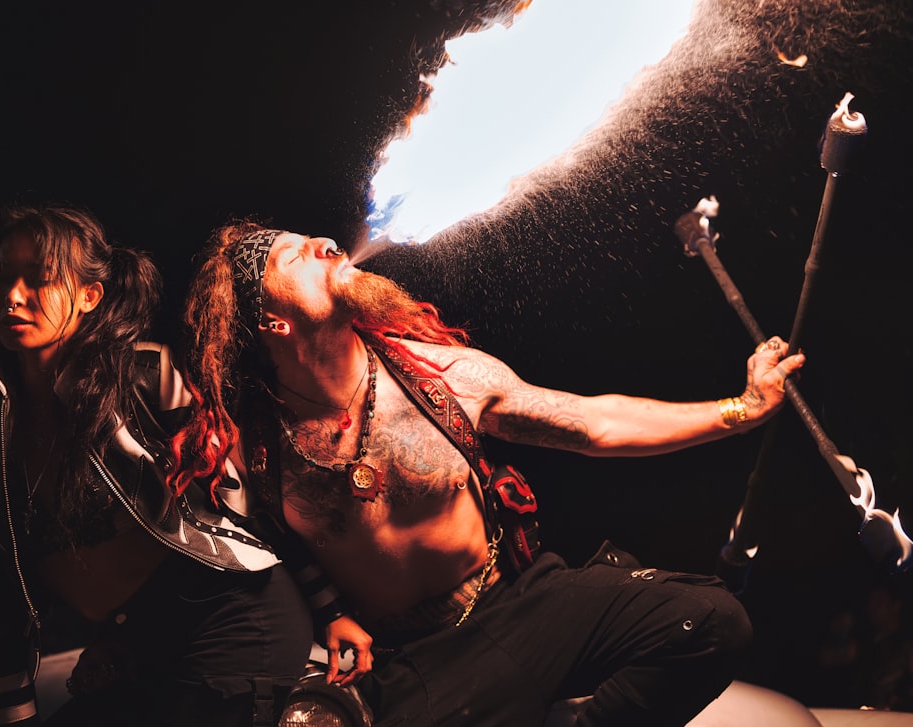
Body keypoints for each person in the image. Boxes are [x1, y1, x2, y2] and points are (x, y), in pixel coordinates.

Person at [170, 219, 806, 727]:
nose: (322, 243)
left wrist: (738, 412)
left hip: (518, 605)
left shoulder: (443, 379)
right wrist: (332, 611)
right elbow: (277, 549)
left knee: (712, 621)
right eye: (294, 256)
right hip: (412, 662)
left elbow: (595, 425)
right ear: (270, 322)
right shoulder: (245, 445)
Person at [0, 203, 362, 727]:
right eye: (2, 279)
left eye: (39, 280)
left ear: (89, 296)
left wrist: (331, 608)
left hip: (231, 615)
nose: (13, 296)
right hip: (132, 643)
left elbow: (245, 500)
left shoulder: (144, 375)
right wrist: (15, 716)